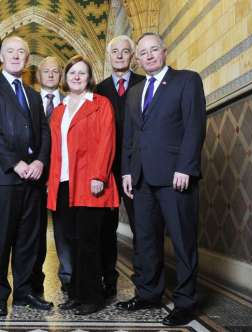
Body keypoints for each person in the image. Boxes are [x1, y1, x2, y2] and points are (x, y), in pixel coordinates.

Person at [116, 32, 206, 326]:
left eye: (154, 50)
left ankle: (186, 301)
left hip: (174, 177)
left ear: (165, 51)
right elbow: (130, 137)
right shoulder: (134, 92)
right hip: (141, 180)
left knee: (182, 241)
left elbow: (195, 127)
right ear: (137, 60)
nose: (149, 55)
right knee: (146, 241)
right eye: (143, 53)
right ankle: (149, 293)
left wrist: (186, 167)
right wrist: (127, 171)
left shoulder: (187, 81)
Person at [0, 36, 52, 316]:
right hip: (4, 177)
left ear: (27, 57)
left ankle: (24, 293)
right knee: (1, 238)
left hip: (33, 179)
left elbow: (44, 132)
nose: (16, 56)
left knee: (28, 239)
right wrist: (16, 163)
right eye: (11, 51)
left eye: (22, 51)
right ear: (1, 57)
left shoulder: (33, 95)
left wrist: (41, 162)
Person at [47, 55, 119, 315]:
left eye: (82, 73)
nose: (77, 76)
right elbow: (55, 150)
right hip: (64, 183)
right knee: (71, 242)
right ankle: (77, 294)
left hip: (90, 182)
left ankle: (93, 296)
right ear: (66, 78)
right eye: (72, 72)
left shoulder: (101, 104)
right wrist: (50, 181)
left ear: (90, 78)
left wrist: (99, 176)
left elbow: (106, 141)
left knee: (89, 242)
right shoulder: (59, 110)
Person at [95, 35, 145, 303]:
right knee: (105, 228)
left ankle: (144, 283)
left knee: (142, 227)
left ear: (132, 56)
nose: (120, 55)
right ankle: (108, 281)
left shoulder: (143, 83)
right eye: (115, 51)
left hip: (138, 168)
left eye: (125, 51)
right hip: (107, 169)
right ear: (109, 55)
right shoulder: (99, 89)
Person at [31, 56, 67, 296]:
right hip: (34, 176)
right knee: (33, 232)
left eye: (56, 71)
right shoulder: (29, 100)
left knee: (65, 231)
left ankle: (70, 279)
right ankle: (34, 281)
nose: (51, 75)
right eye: (46, 71)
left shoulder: (72, 100)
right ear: (38, 75)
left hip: (65, 176)